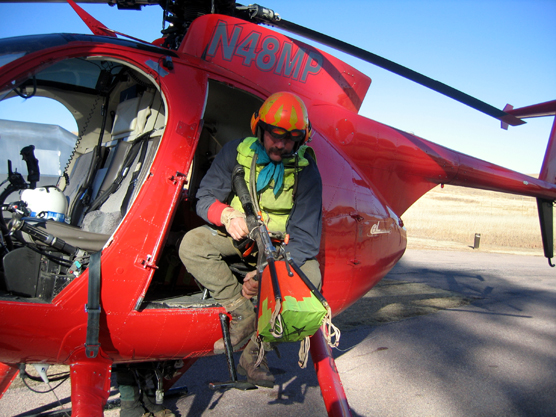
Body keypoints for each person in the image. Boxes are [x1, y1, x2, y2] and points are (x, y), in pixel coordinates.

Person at [179, 91, 322, 388]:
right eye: (275, 135)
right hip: (240, 240)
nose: (281, 144)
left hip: (278, 250)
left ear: (301, 139)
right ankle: (241, 312)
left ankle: (255, 355)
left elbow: (306, 239)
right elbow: (203, 199)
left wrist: (264, 275)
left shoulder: (307, 172)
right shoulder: (235, 153)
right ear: (260, 129)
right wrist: (227, 215)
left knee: (311, 275)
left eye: (291, 138)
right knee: (192, 244)